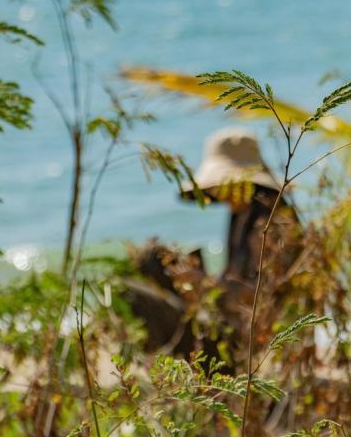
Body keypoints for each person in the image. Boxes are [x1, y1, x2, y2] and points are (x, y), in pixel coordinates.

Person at [123, 128, 302, 368]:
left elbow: (263, 298)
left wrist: (204, 283)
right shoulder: (242, 214)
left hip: (241, 344)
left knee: (135, 293)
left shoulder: (272, 220)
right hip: (224, 322)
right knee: (152, 259)